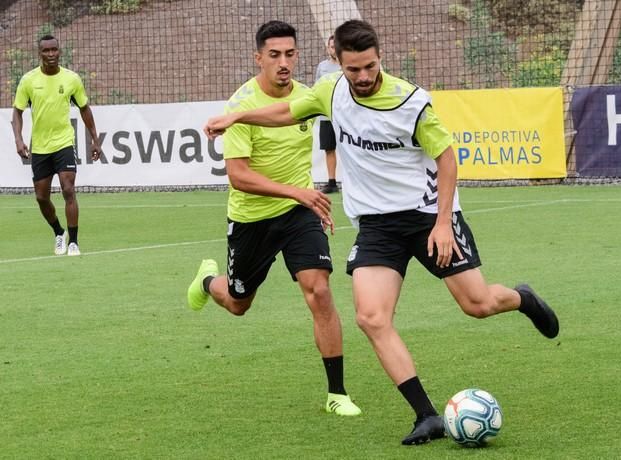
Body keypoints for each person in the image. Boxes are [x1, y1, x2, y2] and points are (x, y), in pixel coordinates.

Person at [203, 19, 559, 445]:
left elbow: (446, 158)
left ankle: (522, 298)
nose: (364, 77)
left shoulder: (410, 101)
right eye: (354, 69)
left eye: (370, 67)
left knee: (477, 304)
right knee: (371, 317)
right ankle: (425, 415)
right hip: (377, 226)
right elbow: (285, 112)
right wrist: (238, 115)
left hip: (428, 216)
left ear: (379, 58)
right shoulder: (330, 90)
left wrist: (444, 223)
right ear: (338, 60)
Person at [187, 21, 361, 417]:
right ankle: (206, 281)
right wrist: (298, 191)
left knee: (319, 291)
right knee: (237, 303)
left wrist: (304, 196)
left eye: (290, 54)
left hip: (300, 212)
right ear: (258, 58)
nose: (284, 63)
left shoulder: (308, 96)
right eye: (274, 55)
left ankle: (337, 393)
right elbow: (239, 176)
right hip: (253, 218)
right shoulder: (241, 106)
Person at [11, 34, 102, 256]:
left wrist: (94, 139)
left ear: (59, 51)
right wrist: (19, 139)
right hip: (40, 147)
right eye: (46, 51)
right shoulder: (28, 80)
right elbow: (17, 112)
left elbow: (84, 108)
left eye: (54, 50)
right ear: (39, 53)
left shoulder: (71, 79)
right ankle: (58, 232)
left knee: (68, 189)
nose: (51, 54)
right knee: (42, 197)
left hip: (64, 143)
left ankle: (74, 242)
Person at [314, 35, 340, 194]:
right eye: (331, 46)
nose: (334, 49)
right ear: (328, 48)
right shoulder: (322, 67)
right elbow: (317, 88)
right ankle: (332, 182)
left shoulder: (347, 65)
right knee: (329, 149)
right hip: (326, 115)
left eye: (336, 46)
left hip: (344, 115)